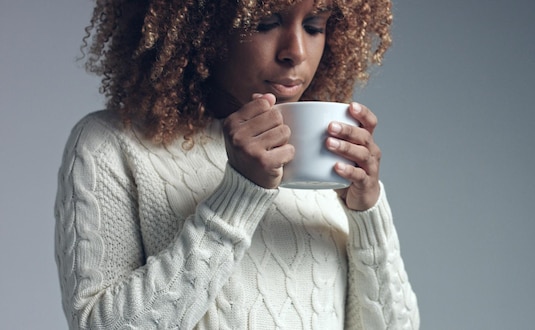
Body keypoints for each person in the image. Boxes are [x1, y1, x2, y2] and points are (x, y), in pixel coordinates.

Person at [54, 0, 420, 328]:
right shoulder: (110, 144)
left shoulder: (324, 153)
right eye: (264, 21)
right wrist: (241, 194)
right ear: (202, 23)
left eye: (314, 26)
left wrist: (368, 210)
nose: (295, 52)